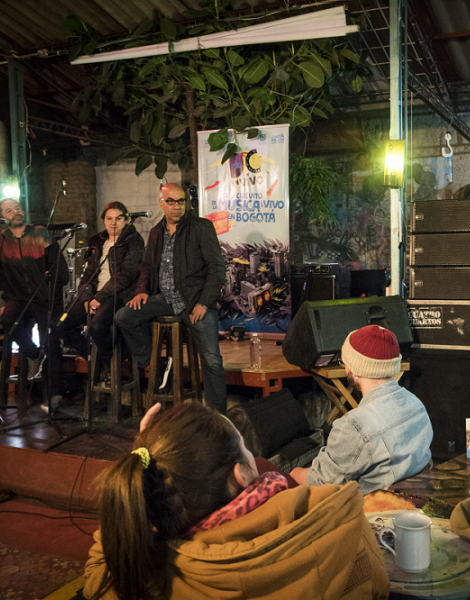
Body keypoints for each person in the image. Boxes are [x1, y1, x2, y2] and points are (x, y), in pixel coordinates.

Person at [83, 402, 389, 600]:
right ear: (240, 474)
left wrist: (153, 472)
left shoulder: (144, 574)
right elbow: (378, 586)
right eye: (245, 448)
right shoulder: (337, 517)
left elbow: (98, 571)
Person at [115, 183, 227, 412]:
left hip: (194, 300)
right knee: (124, 316)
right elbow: (146, 266)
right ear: (161, 203)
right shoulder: (156, 231)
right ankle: (157, 366)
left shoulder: (201, 227)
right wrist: (142, 291)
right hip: (164, 299)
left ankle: (217, 417)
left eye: (181, 201)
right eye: (171, 202)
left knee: (212, 359)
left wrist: (204, 303)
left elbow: (217, 269)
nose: (177, 206)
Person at [290, 325, 433, 494]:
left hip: (372, 512)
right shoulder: (416, 403)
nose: (345, 368)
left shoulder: (354, 425)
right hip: (412, 503)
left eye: (345, 363)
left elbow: (321, 482)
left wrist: (293, 473)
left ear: (356, 370)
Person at [0, 198, 69, 413]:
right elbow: (0, 275)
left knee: (51, 338)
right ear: (3, 218)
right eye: (9, 210)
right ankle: (34, 355)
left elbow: (60, 270)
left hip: (45, 297)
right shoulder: (0, 240)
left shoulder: (39, 232)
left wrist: (51, 294)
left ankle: (54, 395)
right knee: (7, 319)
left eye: (17, 207)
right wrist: (7, 301)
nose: (15, 211)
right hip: (18, 297)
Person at [58, 202, 144, 375]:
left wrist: (99, 298)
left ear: (127, 220)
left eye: (119, 218)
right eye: (109, 218)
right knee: (61, 324)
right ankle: (94, 358)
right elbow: (88, 273)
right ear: (104, 221)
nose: (113, 223)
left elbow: (126, 275)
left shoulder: (133, 240)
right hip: (94, 294)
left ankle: (109, 366)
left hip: (119, 294)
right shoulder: (97, 241)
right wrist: (86, 297)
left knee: (96, 327)